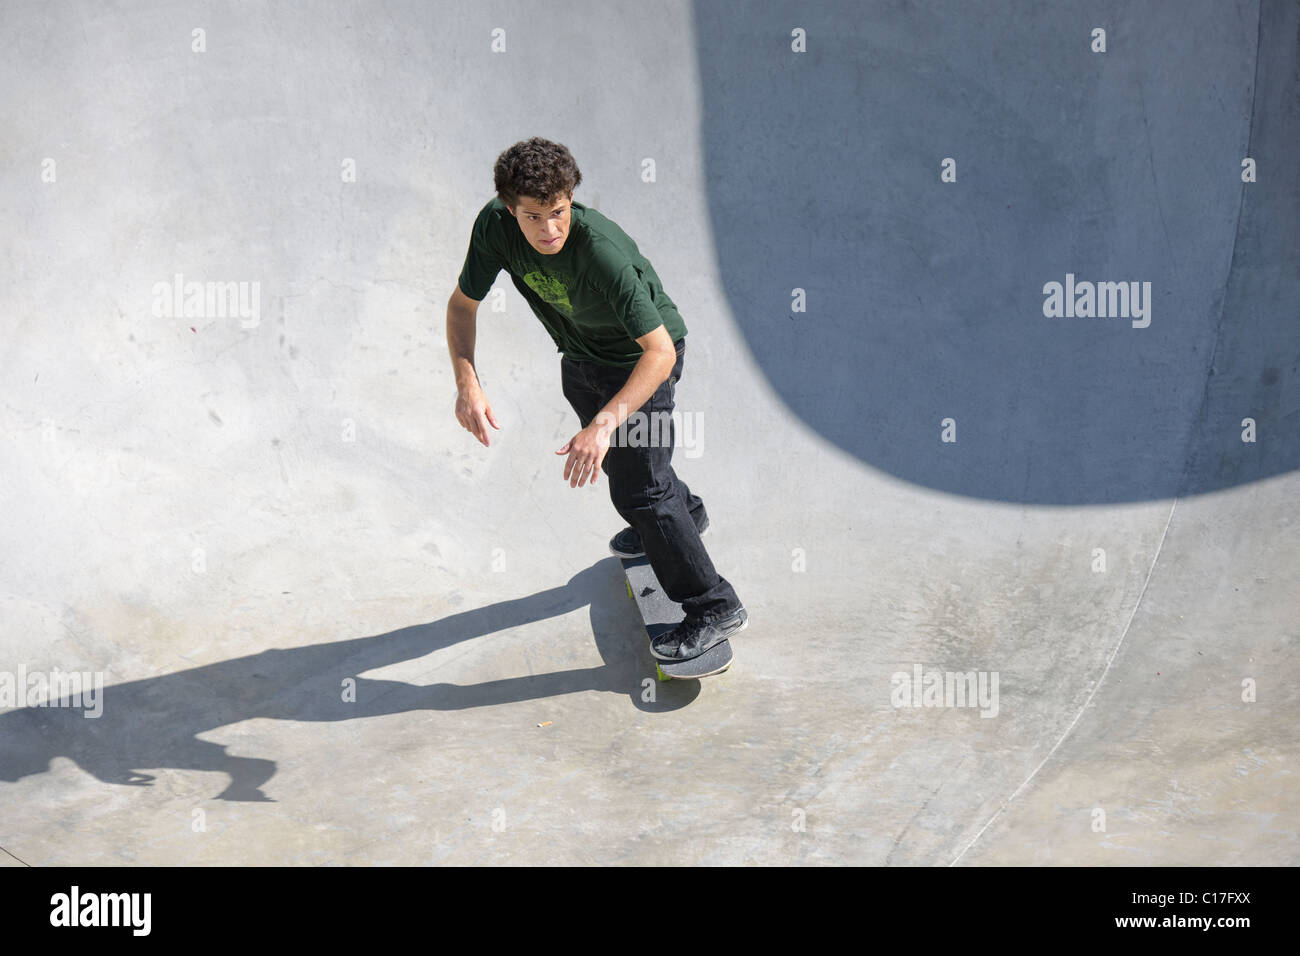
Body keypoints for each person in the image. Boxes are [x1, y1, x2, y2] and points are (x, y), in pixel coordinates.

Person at [446, 136, 747, 663]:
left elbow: (659, 354)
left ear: (571, 199)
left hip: (642, 360)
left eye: (559, 212)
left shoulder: (600, 253)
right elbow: (462, 306)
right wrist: (467, 382)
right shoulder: (494, 227)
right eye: (534, 217)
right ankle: (687, 516)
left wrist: (605, 424)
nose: (550, 230)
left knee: (641, 493)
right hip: (581, 360)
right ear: (508, 207)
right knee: (634, 474)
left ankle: (713, 606)